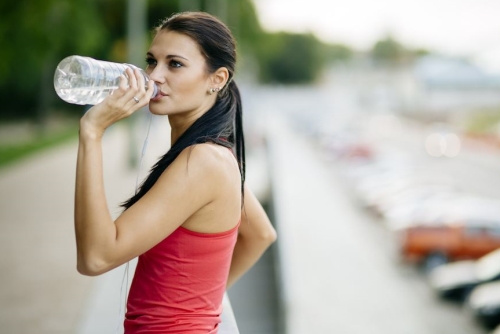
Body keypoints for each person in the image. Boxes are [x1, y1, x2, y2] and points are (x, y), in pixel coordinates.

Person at [74, 11, 277, 333]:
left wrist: (92, 133)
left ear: (217, 79)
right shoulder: (214, 154)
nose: (154, 76)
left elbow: (96, 257)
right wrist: (204, 300)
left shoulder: (202, 162)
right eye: (151, 61)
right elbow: (261, 233)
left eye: (175, 64)